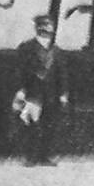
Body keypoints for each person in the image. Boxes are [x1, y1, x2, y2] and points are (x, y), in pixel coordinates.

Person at [14, 15, 69, 166]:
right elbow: (19, 71)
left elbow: (62, 74)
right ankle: (32, 156)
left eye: (49, 26)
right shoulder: (26, 48)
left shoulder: (57, 51)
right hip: (33, 93)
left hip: (51, 93)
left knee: (50, 125)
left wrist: (63, 93)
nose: (46, 30)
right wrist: (21, 90)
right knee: (32, 125)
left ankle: (48, 156)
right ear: (38, 28)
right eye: (44, 26)